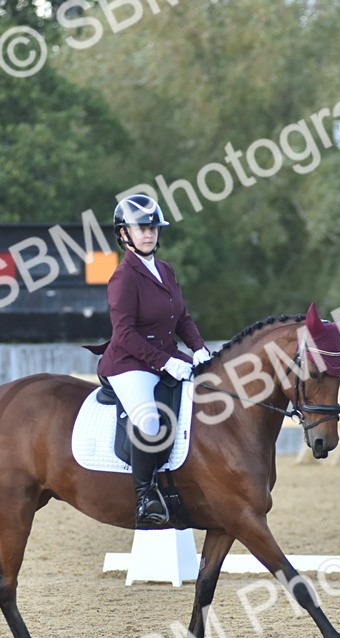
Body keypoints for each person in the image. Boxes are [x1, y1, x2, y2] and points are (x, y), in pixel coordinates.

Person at [96, 194, 211, 527]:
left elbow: (182, 317)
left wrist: (199, 347)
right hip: (129, 363)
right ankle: (145, 497)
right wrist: (166, 362)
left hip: (166, 356)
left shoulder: (164, 269)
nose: (148, 234)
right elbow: (124, 335)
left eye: (152, 228)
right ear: (124, 234)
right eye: (141, 228)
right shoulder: (123, 278)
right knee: (149, 421)